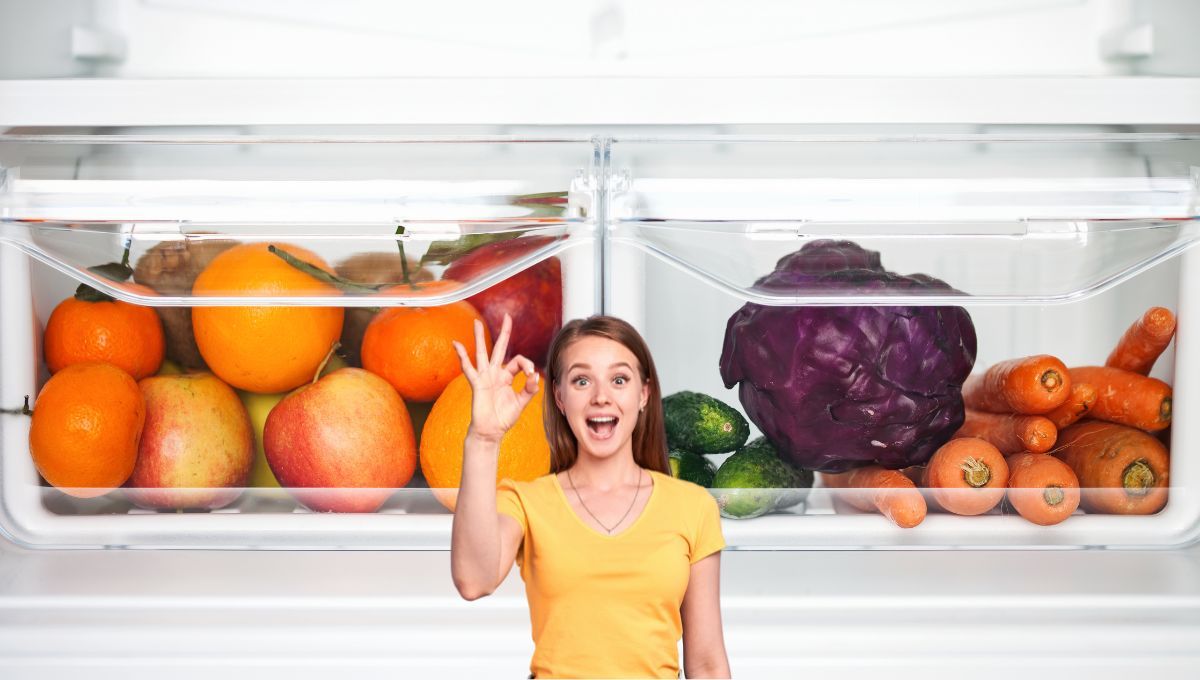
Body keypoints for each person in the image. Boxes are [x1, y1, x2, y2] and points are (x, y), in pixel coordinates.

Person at [450, 312, 731, 679]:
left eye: (619, 380)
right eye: (582, 381)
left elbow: (707, 664)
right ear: (560, 397)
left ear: (643, 394)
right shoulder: (525, 501)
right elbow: (474, 580)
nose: (601, 397)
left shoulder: (692, 507)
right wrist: (484, 439)